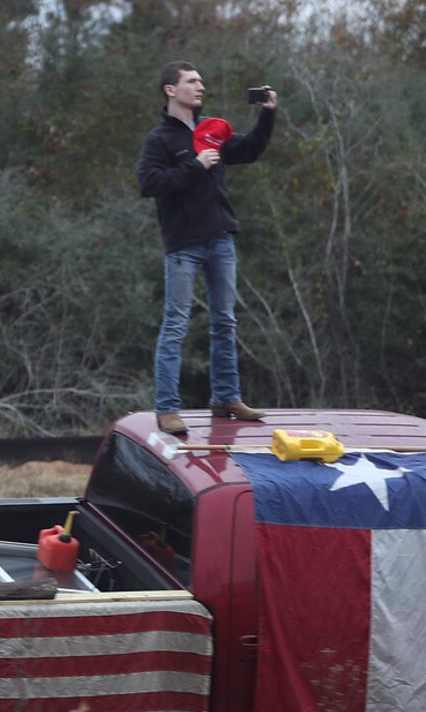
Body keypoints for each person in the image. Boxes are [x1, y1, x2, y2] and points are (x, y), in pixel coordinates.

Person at [136, 61, 278, 436]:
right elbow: (149, 183)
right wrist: (196, 166)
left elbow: (249, 150)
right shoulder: (160, 140)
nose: (201, 86)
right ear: (171, 90)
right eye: (192, 81)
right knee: (176, 324)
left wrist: (267, 115)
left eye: (201, 80)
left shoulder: (210, 131)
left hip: (221, 239)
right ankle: (167, 408)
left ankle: (227, 398)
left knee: (224, 322)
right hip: (184, 243)